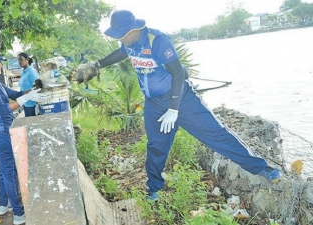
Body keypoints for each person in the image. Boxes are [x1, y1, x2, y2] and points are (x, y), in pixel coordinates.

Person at [93, 10, 281, 200]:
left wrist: (174, 109)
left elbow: (177, 73)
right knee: (156, 145)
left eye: (122, 36)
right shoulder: (129, 44)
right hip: (154, 103)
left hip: (182, 98)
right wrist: (96, 65)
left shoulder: (157, 40)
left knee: (216, 133)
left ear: (133, 30)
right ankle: (153, 188)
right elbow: (119, 53)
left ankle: (262, 168)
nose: (120, 40)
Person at [0, 49, 47, 225]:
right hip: (0, 131)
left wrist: (33, 90)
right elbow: (3, 109)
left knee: (5, 170)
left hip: (0, 130)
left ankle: (3, 205)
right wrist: (25, 100)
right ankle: (19, 214)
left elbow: (13, 94)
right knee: (10, 170)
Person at [17, 52, 39, 117]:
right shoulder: (24, 72)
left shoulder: (31, 71)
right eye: (18, 60)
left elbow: (37, 86)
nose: (19, 61)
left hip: (32, 103)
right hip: (25, 102)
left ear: (27, 59)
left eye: (21, 59)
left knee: (32, 122)